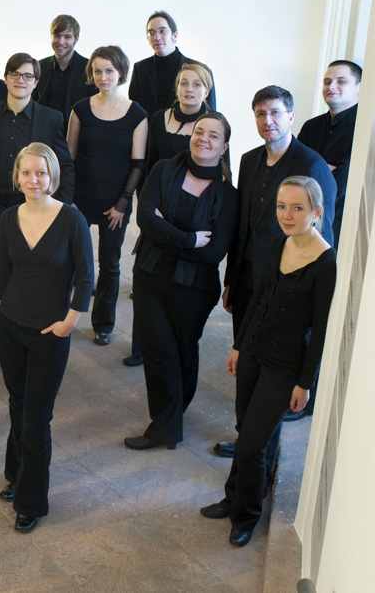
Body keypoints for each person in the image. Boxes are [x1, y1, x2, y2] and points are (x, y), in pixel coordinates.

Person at [200, 176, 336, 548]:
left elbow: (321, 332)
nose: (287, 215)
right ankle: (233, 499)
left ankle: (248, 515)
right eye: (281, 206)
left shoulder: (327, 264)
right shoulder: (280, 243)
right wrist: (239, 346)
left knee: (252, 444)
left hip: (285, 366)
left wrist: (305, 384)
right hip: (254, 353)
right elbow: (258, 301)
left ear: (316, 212)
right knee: (246, 432)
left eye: (297, 208)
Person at [214, 85, 337, 458]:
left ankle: (262, 446)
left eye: (276, 113)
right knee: (246, 363)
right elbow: (243, 227)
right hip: (251, 278)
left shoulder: (312, 165)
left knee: (273, 375)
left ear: (291, 116)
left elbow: (324, 231)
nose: (268, 121)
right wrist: (232, 279)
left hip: (290, 287)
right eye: (261, 114)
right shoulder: (250, 160)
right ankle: (245, 438)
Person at [0, 142, 94, 533]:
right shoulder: (10, 216)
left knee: (36, 418)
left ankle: (31, 502)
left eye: (42, 173)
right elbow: (3, 271)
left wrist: (70, 322)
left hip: (50, 332)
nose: (34, 180)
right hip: (12, 325)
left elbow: (86, 277)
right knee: (18, 405)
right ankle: (15, 476)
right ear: (17, 177)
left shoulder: (70, 220)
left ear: (53, 177)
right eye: (27, 173)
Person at [125, 113, 239, 450]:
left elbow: (215, 252)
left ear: (224, 147)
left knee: (184, 353)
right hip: (149, 276)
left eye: (213, 136)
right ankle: (165, 426)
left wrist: (165, 231)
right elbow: (144, 217)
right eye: (199, 131)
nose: (203, 138)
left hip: (194, 288)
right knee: (158, 351)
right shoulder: (163, 169)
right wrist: (189, 239)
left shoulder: (228, 196)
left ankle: (173, 413)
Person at [0, 53, 74, 324]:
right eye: (14, 74)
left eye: (27, 76)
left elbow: (65, 167)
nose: (20, 80)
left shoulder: (51, 118)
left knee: (26, 266)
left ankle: (17, 322)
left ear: (36, 82)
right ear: (5, 78)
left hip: (32, 205)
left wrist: (62, 208)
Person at [67, 46, 148, 345]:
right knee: (71, 261)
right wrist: (70, 199)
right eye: (98, 70)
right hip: (80, 200)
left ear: (120, 73)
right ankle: (64, 316)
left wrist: (122, 204)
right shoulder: (80, 109)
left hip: (116, 202)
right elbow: (69, 156)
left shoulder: (137, 114)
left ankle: (103, 324)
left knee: (110, 264)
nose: (103, 76)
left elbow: (138, 164)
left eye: (109, 70)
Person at [299, 60, 361, 250]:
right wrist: (328, 169)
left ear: (360, 87)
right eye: (327, 82)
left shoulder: (365, 130)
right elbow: (295, 171)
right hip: (303, 220)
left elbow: (346, 180)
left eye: (341, 81)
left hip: (342, 224)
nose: (331, 86)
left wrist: (316, 169)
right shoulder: (311, 126)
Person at [128, 11, 216, 117]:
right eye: (151, 33)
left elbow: (211, 114)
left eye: (162, 31)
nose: (157, 37)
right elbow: (134, 111)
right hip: (148, 132)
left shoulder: (201, 69)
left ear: (175, 35)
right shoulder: (140, 68)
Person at [146, 63, 214, 171]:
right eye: (184, 83)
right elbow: (151, 164)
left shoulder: (215, 124)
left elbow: (224, 168)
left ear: (206, 92)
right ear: (177, 89)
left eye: (196, 84)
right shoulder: (159, 118)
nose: (189, 89)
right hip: (162, 185)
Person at [33, 14, 97, 126]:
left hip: (78, 136)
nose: (61, 41)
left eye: (67, 37)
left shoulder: (90, 68)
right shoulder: (39, 67)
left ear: (76, 39)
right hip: (42, 135)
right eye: (56, 35)